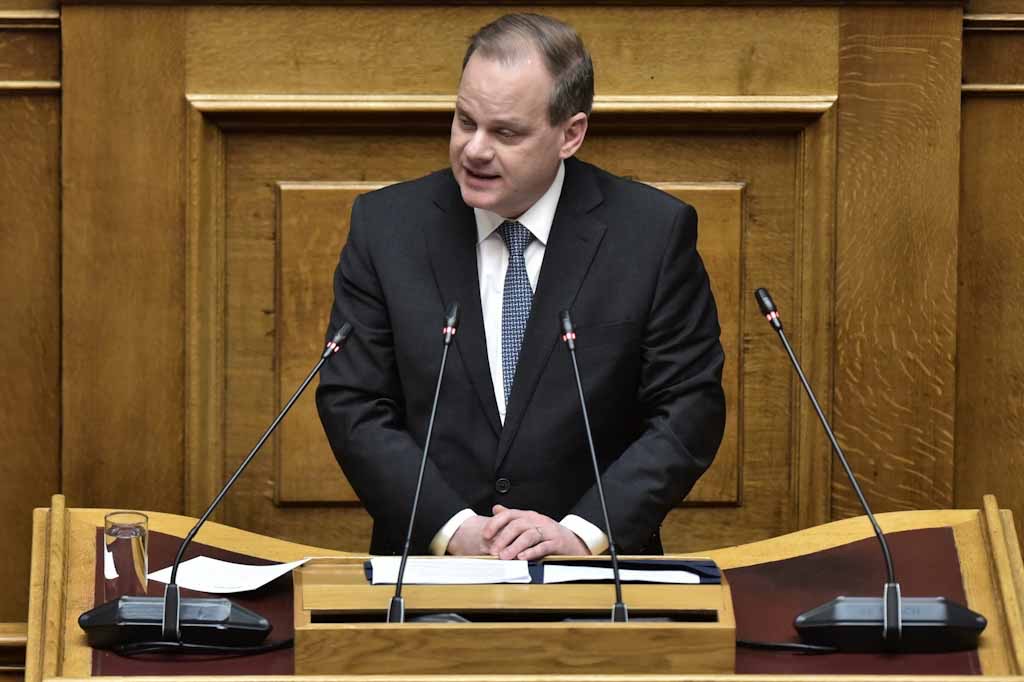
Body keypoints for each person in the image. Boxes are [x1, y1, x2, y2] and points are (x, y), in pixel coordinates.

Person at [316, 13, 725, 560]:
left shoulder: (651, 234)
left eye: (505, 133)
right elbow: (354, 401)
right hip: (425, 575)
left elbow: (688, 409)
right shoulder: (386, 227)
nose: (474, 150)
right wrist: (453, 529)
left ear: (570, 134)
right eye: (465, 121)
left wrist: (583, 533)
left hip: (592, 577)